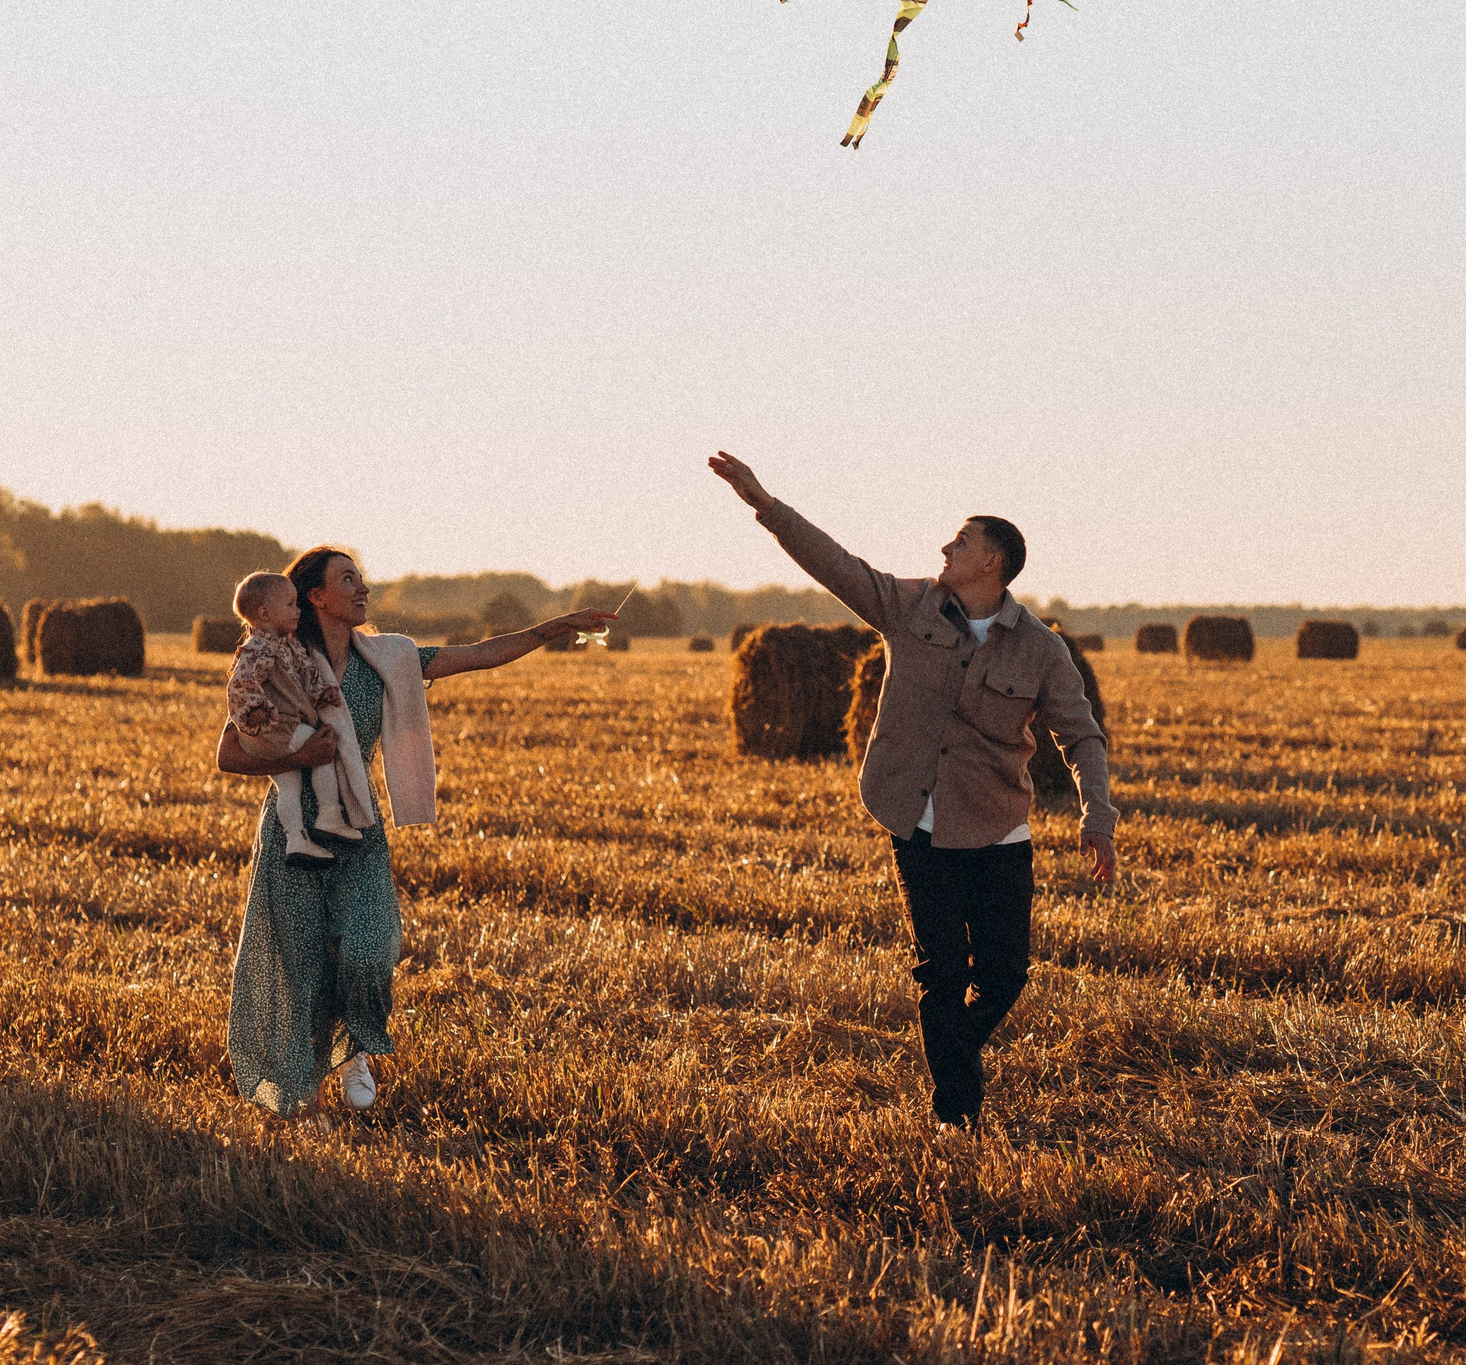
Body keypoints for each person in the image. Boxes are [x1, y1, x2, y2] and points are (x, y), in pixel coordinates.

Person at [706, 451, 1116, 1127]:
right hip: (916, 819)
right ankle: (956, 1113)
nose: (945, 548)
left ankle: (951, 1058)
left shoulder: (1040, 649)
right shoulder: (907, 605)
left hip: (997, 827)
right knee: (941, 971)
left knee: (1008, 973)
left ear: (992, 563)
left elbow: (1082, 736)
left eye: (961, 541)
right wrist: (764, 503)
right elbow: (835, 563)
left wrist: (1097, 815)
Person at [216, 546, 615, 1120]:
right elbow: (229, 754)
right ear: (315, 597)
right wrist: (304, 756)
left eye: (362, 578)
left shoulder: (389, 659)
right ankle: (306, 1102)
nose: (363, 588)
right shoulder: (280, 662)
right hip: (294, 832)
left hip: (360, 828)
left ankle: (357, 1047)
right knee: (303, 968)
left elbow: (478, 655)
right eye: (347, 579)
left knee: (371, 951)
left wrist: (556, 626)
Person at [224, 571, 369, 869]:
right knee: (323, 753)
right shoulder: (260, 648)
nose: (298, 610)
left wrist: (321, 692)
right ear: (265, 613)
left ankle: (296, 839)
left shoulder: (285, 645)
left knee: (288, 787)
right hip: (277, 728)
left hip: (269, 735)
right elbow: (240, 684)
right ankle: (329, 815)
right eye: (291, 604)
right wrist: (256, 712)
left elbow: (306, 674)